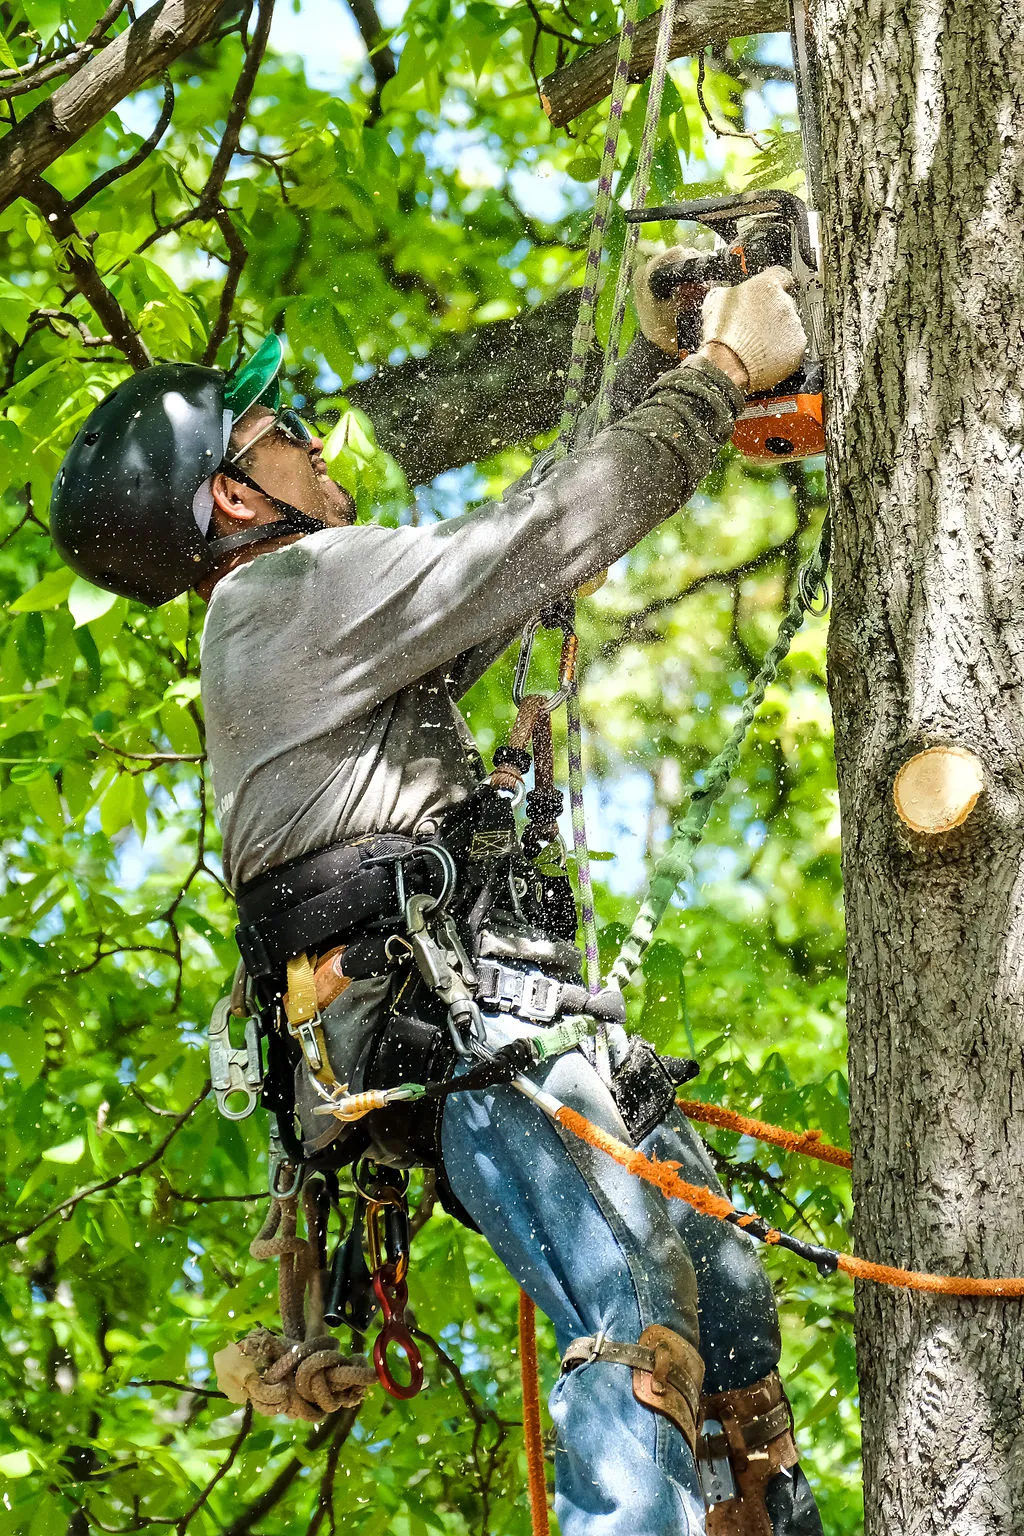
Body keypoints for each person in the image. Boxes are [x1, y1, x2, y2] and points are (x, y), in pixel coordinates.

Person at [50, 256, 822, 1536]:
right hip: (464, 1034)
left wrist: (650, 367)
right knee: (637, 1302)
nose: (310, 442)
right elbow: (535, 541)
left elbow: (517, 555)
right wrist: (719, 376)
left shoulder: (304, 616)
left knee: (725, 1294)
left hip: (491, 1025)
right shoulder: (282, 595)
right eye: (277, 434)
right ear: (237, 494)